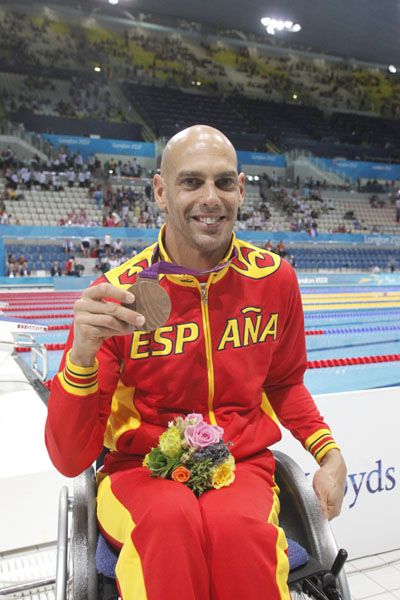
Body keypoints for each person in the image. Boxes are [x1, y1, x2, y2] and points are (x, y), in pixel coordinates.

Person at [45, 125, 346, 600]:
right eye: (191, 182)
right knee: (168, 524)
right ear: (161, 193)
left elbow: (285, 383)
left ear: (242, 190)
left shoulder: (275, 280)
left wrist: (329, 454)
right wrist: (81, 355)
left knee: (239, 533)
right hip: (139, 469)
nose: (211, 197)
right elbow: (69, 458)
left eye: (224, 183)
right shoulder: (119, 295)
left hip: (239, 465)